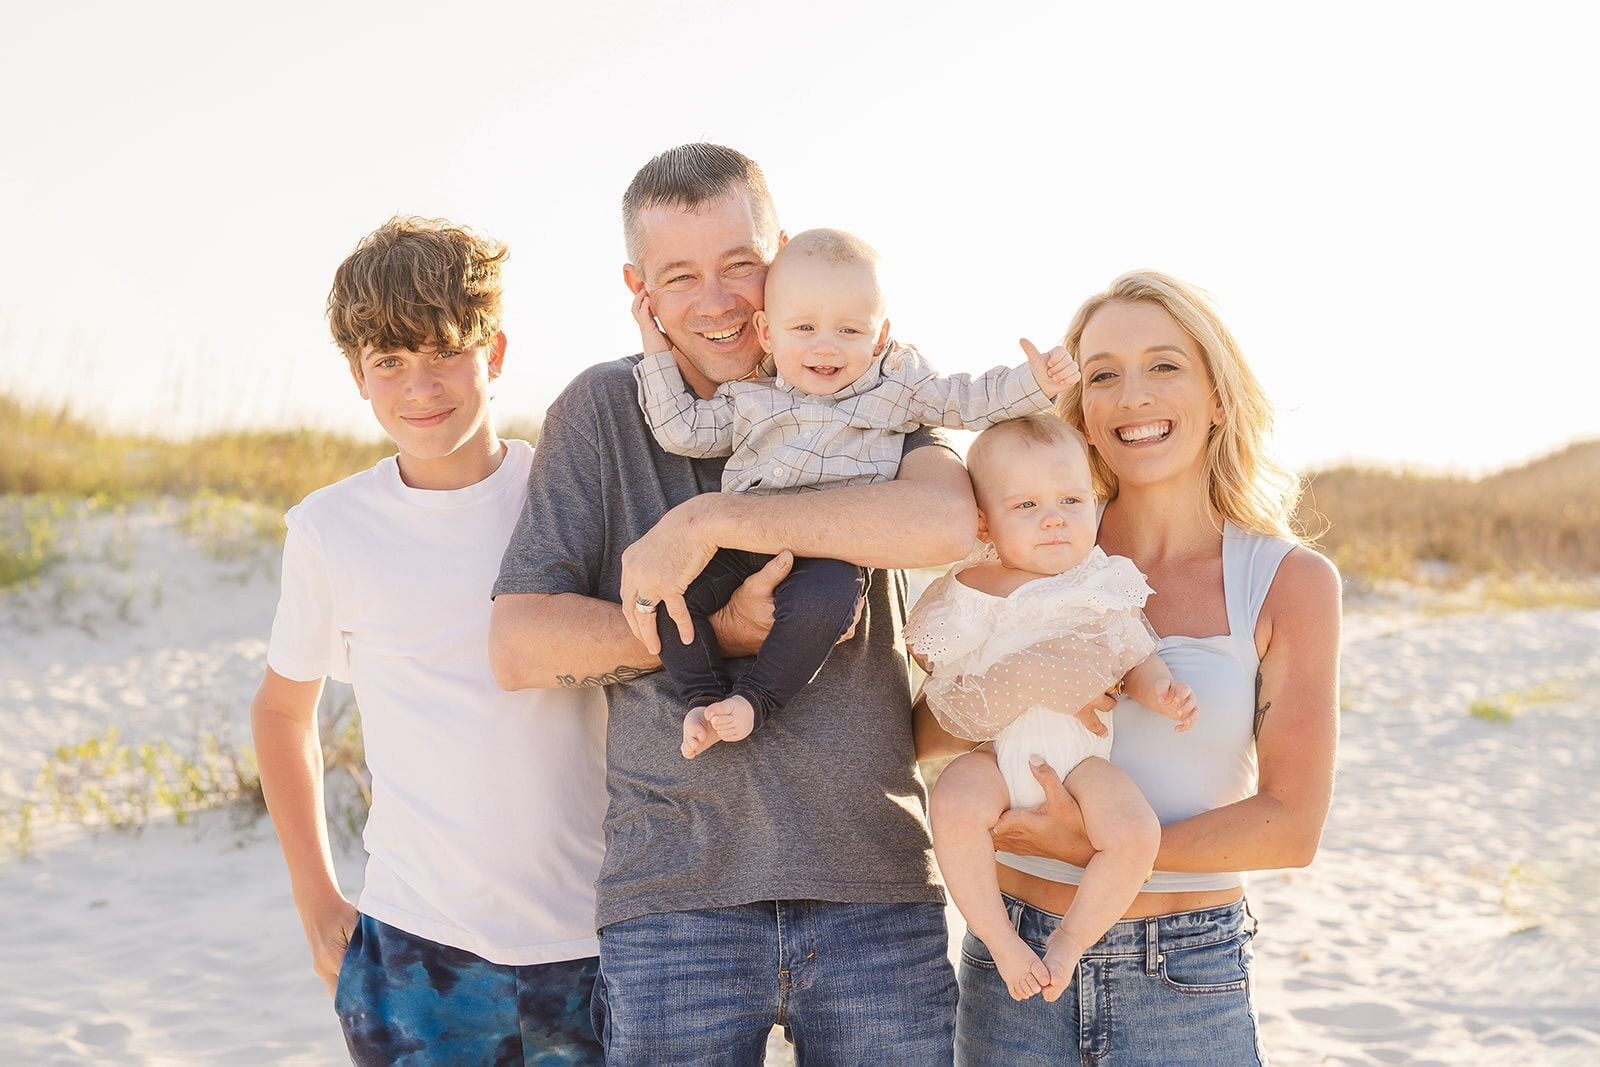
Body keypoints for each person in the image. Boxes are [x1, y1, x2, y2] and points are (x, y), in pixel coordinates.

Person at [490, 144, 968, 1065]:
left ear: (780, 257)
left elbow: (945, 523)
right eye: (681, 275)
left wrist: (712, 518)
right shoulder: (601, 408)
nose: (716, 301)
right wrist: (713, 632)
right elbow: (518, 643)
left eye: (739, 265)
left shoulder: (869, 373)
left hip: (874, 883)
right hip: (676, 898)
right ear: (641, 290)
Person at [917, 271, 1340, 1065]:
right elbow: (928, 734)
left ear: (1219, 396)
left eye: (1165, 366)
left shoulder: (1289, 582)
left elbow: (1292, 827)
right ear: (1079, 408)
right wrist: (1040, 673)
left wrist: (1098, 847)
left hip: (1186, 973)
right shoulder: (1029, 544)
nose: (1132, 396)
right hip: (1012, 961)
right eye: (1103, 374)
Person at [251, 218, 606, 1065]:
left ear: (497, 350)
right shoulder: (332, 527)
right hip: (418, 949)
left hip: (599, 942)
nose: (420, 386)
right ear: (357, 376)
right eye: (390, 362)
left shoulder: (567, 489)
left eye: (443, 351)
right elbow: (280, 712)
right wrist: (316, 895)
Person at [630, 226, 1074, 760]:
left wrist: (1037, 381)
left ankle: (756, 700)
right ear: (767, 333)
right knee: (667, 594)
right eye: (804, 328)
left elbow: (968, 399)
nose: (825, 346)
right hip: (742, 541)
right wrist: (653, 344)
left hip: (829, 552)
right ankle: (700, 697)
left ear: (880, 336)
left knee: (828, 603)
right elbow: (683, 429)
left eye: (848, 330)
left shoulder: (897, 384)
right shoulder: (748, 398)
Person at [909, 415, 1197, 1003]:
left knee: (1135, 834)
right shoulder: (967, 589)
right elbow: (933, 663)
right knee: (954, 804)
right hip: (996, 754)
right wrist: (932, 648)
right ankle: (998, 939)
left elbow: (1132, 650)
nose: (1054, 518)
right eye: (1027, 506)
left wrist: (1159, 687)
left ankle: (1070, 941)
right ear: (984, 522)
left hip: (1081, 761)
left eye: (1071, 499)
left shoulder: (1100, 581)